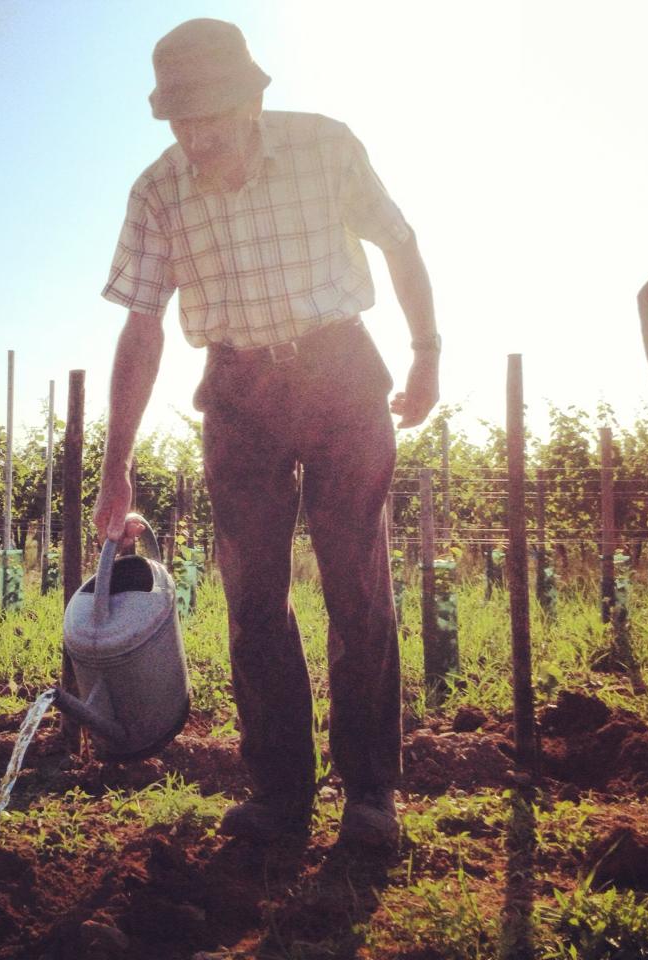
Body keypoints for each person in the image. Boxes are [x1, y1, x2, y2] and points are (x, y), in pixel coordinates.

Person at [93, 18, 440, 848]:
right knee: (252, 600)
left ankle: (370, 798)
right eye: (178, 117)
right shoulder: (157, 191)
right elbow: (142, 326)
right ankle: (281, 795)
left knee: (357, 586)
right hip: (239, 392)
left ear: (251, 100)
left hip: (340, 376)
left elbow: (400, 242)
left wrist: (426, 351)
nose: (192, 132)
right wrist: (117, 464)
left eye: (206, 112)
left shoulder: (325, 148)